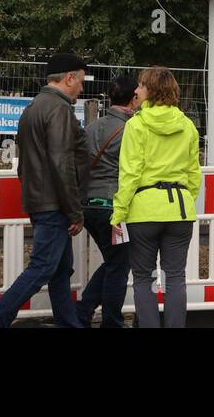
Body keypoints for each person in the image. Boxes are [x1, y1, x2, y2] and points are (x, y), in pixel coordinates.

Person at [0, 53, 90, 328]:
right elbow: (61, 162)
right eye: (80, 81)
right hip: (56, 204)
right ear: (69, 78)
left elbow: (27, 163)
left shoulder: (33, 108)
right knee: (42, 268)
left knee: (60, 272)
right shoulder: (59, 110)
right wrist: (75, 210)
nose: (82, 88)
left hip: (42, 201)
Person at [111, 66, 200, 329]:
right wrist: (186, 200)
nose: (136, 90)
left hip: (144, 211)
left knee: (143, 278)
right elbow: (194, 174)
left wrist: (119, 213)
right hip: (180, 210)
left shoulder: (136, 125)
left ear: (151, 91)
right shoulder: (187, 126)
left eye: (140, 85)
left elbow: (129, 174)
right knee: (175, 277)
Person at [76, 73, 140, 328]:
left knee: (115, 261)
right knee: (119, 266)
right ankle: (111, 321)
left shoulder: (90, 128)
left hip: (88, 205)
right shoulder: (131, 130)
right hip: (113, 207)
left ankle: (83, 311)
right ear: (134, 98)